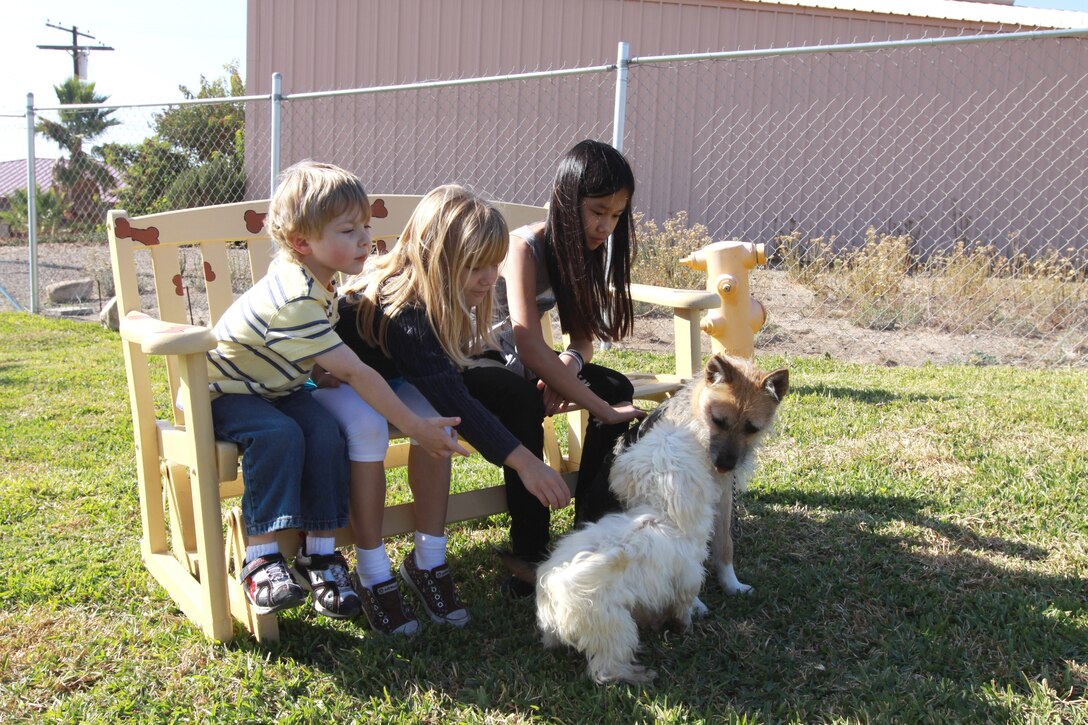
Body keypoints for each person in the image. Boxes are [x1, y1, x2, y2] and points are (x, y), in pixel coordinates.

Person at [207, 161, 466, 622]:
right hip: (230, 393)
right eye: (348, 230)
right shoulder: (296, 295)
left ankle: (320, 555)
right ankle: (261, 559)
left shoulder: (317, 283)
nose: (365, 239)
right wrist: (416, 427)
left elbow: (312, 355)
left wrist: (319, 373)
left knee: (326, 431)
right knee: (278, 435)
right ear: (302, 242)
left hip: (278, 388)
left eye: (365, 226)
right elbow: (356, 373)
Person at [322, 184, 572, 613]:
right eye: (475, 266)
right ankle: (372, 568)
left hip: (391, 380)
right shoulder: (405, 311)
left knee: (439, 417)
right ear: (435, 257)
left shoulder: (436, 294)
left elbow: (447, 376)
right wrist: (525, 462)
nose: (489, 278)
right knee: (432, 412)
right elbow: (450, 390)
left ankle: (428, 560)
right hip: (331, 386)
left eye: (494, 265)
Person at [493, 139, 646, 534]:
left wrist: (568, 364)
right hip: (489, 368)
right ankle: (531, 549)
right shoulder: (523, 248)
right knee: (526, 404)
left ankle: (592, 524)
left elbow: (582, 341)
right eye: (597, 212)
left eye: (616, 215)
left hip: (527, 370)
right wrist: (603, 410)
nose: (606, 227)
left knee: (615, 385)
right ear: (566, 200)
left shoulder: (584, 250)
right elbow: (527, 343)